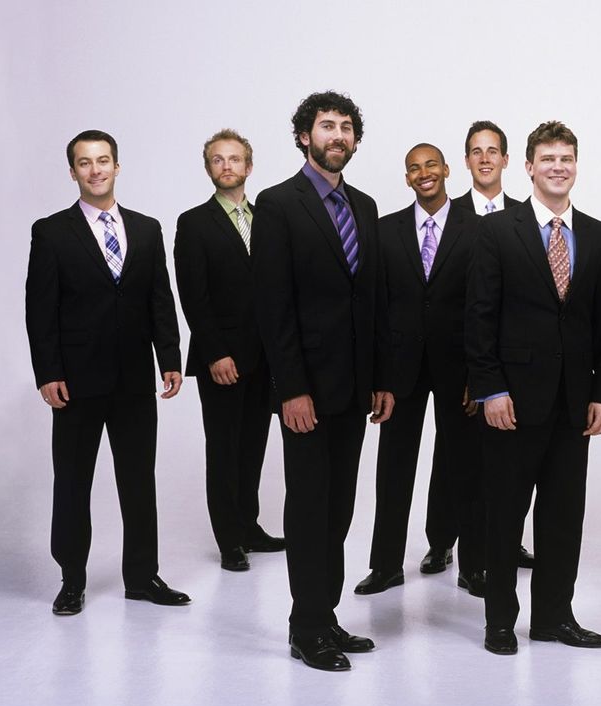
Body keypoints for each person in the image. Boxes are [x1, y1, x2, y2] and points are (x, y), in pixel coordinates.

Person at [253, 91, 394, 671]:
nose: (337, 135)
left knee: (338, 510)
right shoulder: (277, 204)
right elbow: (272, 304)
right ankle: (306, 627)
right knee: (310, 509)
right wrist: (291, 388)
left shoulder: (364, 204)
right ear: (303, 136)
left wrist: (381, 378)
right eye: (326, 126)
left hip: (353, 388)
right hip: (306, 390)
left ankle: (326, 614)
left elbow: (374, 299)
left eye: (346, 127)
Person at [466, 121, 601, 655]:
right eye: (548, 158)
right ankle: (499, 622)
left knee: (562, 519)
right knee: (505, 518)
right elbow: (478, 317)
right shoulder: (496, 231)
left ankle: (554, 617)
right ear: (529, 167)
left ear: (576, 166)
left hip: (574, 404)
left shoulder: (598, 235)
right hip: (511, 401)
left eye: (566, 158)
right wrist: (490, 390)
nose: (558, 167)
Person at [26, 129, 190, 615]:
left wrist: (170, 358)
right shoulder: (52, 232)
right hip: (76, 382)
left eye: (103, 160)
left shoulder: (146, 229)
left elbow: (160, 298)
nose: (95, 170)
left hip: (134, 379)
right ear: (72, 172)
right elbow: (40, 310)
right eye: (85, 162)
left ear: (117, 166)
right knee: (72, 482)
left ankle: (142, 577)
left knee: (139, 480)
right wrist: (48, 372)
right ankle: (71, 580)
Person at [356, 143, 486, 598]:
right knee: (393, 470)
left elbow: (483, 305)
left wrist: (480, 374)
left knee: (467, 468)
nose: (423, 172)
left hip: (460, 369)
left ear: (447, 170)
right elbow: (375, 305)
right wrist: (379, 378)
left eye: (431, 164)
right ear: (407, 178)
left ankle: (474, 566)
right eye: (414, 168)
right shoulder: (385, 229)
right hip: (400, 372)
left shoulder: (477, 228)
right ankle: (386, 566)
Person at [174, 129, 284, 574]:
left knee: (253, 444)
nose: (227, 166)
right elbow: (193, 295)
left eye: (234, 159)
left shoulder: (268, 219)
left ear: (248, 166)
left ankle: (249, 526)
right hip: (222, 358)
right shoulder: (194, 223)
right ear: (209, 169)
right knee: (223, 448)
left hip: (264, 356)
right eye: (217, 160)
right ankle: (228, 540)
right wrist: (215, 353)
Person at [454, 120, 532, 568]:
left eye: (492, 151)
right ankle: (468, 557)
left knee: (511, 468)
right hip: (467, 362)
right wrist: (475, 374)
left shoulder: (527, 215)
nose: (485, 159)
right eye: (476, 151)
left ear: (506, 160)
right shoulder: (449, 214)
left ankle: (505, 544)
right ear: (466, 160)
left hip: (514, 369)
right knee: (466, 465)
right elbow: (454, 301)